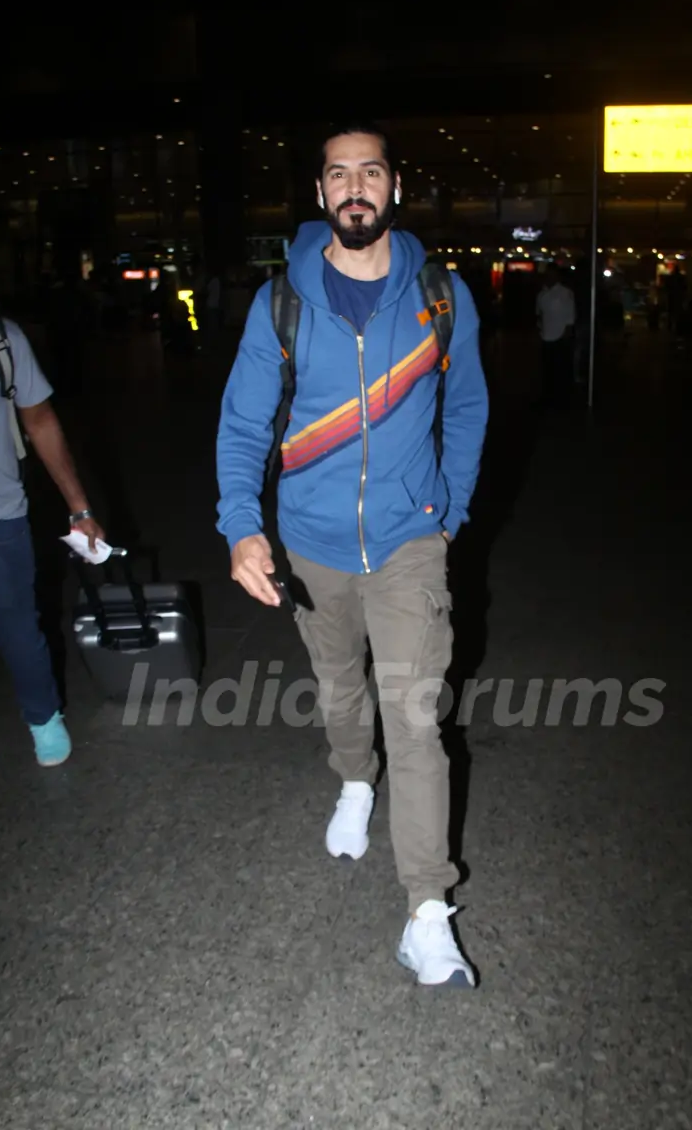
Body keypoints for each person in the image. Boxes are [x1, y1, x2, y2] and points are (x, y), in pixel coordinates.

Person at [216, 122, 489, 988]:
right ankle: (353, 781)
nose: (356, 187)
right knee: (339, 686)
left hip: (410, 540)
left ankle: (426, 911)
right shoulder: (281, 303)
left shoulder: (441, 295)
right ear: (321, 194)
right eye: (339, 174)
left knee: (414, 716)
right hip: (312, 540)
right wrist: (241, 524)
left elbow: (468, 406)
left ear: (394, 187)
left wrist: (449, 511)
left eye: (371, 171)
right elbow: (243, 423)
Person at [0, 310, 104, 766]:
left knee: (18, 624)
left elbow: (39, 420)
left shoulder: (2, 339)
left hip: (0, 514)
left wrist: (79, 508)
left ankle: (43, 718)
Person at [536, 263, 576, 407]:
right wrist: (540, 330)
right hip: (546, 336)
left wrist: (566, 335)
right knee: (547, 370)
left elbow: (570, 316)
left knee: (560, 370)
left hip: (560, 337)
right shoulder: (542, 294)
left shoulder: (565, 293)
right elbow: (539, 314)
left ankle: (562, 399)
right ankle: (548, 397)